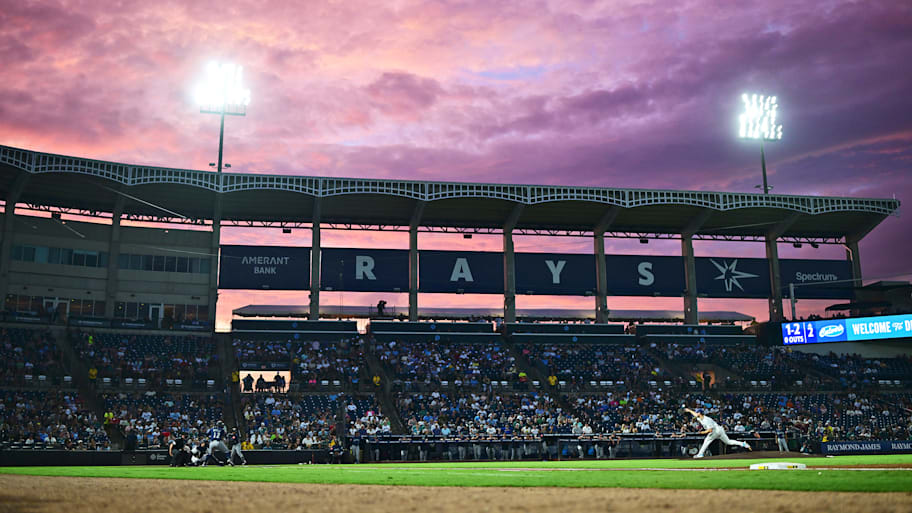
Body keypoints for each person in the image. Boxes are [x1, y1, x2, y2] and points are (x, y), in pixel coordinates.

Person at [685, 407, 751, 459]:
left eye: (697, 413)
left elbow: (710, 430)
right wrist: (689, 410)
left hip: (715, 431)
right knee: (728, 442)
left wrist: (703, 432)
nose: (696, 414)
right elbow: (695, 414)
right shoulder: (700, 418)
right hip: (720, 430)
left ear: (700, 413)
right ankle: (743, 444)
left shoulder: (706, 420)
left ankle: (700, 454)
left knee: (706, 441)